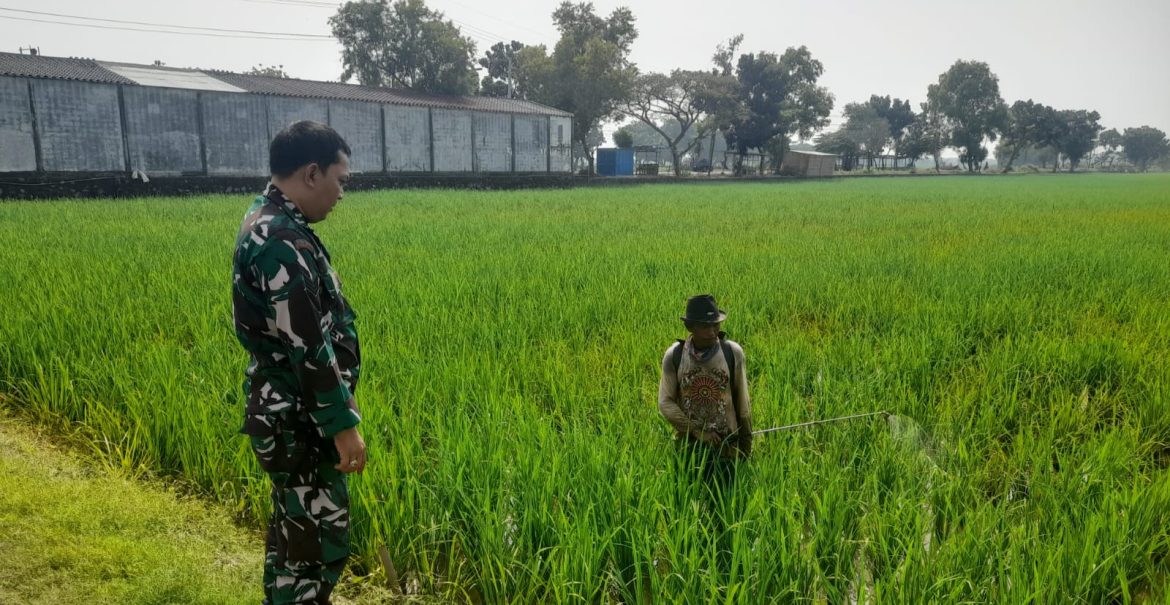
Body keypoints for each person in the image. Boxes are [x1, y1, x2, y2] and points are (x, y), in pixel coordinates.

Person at [232, 120, 365, 605]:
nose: (341, 193)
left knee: (295, 540)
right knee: (316, 548)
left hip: (289, 415)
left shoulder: (272, 222)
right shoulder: (280, 242)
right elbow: (306, 346)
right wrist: (342, 424)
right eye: (340, 179)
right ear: (312, 173)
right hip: (300, 421)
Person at [658, 294, 752, 489]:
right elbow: (665, 402)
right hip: (689, 449)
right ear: (690, 327)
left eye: (715, 325)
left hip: (727, 448)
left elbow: (743, 404)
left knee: (727, 504)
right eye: (705, 326)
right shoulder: (674, 355)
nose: (712, 332)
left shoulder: (732, 353)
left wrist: (745, 446)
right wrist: (696, 431)